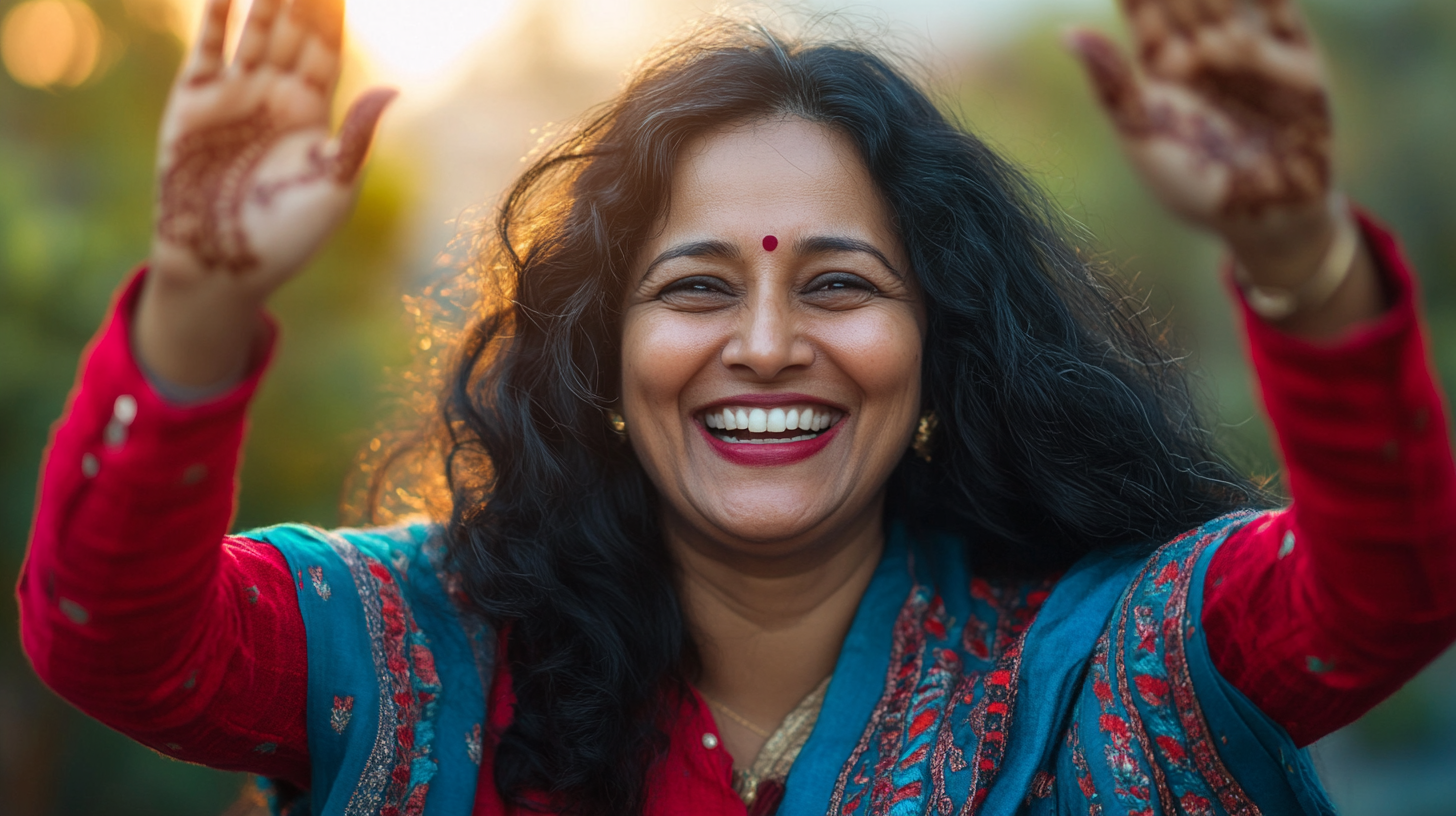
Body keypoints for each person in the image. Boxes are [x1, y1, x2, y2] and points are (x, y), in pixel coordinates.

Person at [17, 0, 1456, 813]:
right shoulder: (416, 649)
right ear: (605, 358)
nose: (766, 346)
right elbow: (118, 642)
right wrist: (201, 303)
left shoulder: (1103, 661)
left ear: (937, 344)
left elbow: (1386, 590)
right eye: (696, 289)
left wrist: (1302, 264)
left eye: (838, 288)